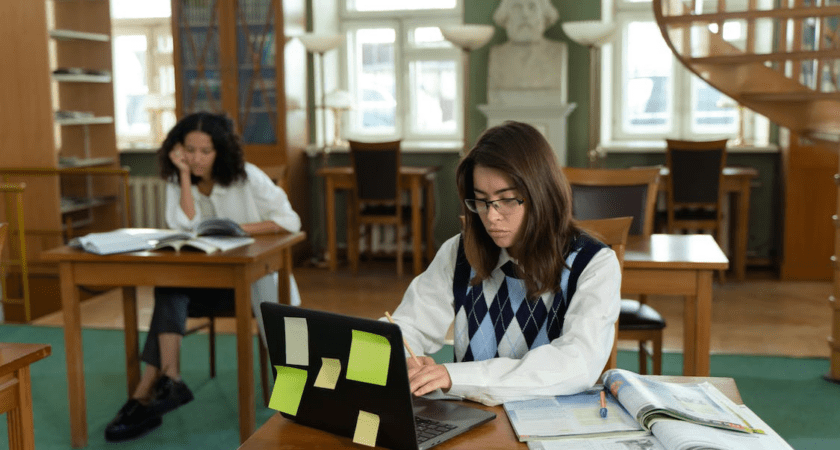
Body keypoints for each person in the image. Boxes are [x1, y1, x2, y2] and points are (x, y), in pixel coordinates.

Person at [388, 121, 621, 406]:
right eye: (481, 201)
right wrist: (398, 356)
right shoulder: (459, 252)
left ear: (542, 194)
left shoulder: (595, 264)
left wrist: (454, 376)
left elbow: (577, 363)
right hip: (474, 421)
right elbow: (407, 325)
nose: (491, 216)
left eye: (507, 200)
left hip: (554, 423)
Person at [105, 112, 302, 442]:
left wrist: (239, 229)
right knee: (169, 287)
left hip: (253, 282)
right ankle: (170, 378)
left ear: (221, 151)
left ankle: (147, 392)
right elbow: (183, 225)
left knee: (274, 314)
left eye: (204, 151)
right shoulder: (178, 179)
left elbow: (290, 221)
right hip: (207, 286)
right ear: (177, 149)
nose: (195, 159)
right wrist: (183, 175)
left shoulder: (247, 177)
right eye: (188, 150)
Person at [487, 0, 567, 97]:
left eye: (532, 7)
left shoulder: (557, 52)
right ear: (506, 16)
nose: (525, 14)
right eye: (517, 7)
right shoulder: (497, 55)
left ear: (544, 15)